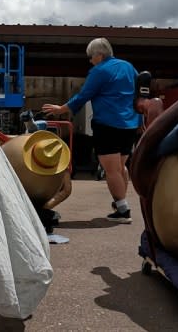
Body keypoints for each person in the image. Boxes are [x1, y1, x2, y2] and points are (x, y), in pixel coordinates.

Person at [42, 37, 140, 223]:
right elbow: (140, 91)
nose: (90, 61)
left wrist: (61, 109)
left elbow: (84, 95)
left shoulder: (100, 70)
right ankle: (120, 204)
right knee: (120, 167)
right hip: (130, 124)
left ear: (99, 55)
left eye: (90, 57)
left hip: (108, 123)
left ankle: (123, 210)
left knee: (111, 169)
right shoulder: (128, 67)